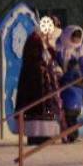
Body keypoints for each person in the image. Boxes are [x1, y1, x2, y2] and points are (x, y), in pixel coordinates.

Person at [15, 17, 64, 145]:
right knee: (36, 108)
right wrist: (42, 66)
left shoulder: (45, 41)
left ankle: (47, 135)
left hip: (45, 83)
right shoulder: (34, 40)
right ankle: (36, 136)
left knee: (48, 109)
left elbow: (51, 57)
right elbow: (33, 59)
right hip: (35, 83)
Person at [57, 25, 83, 143]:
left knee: (73, 111)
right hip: (62, 83)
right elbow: (54, 61)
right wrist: (58, 71)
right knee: (65, 111)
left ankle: (72, 135)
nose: (76, 41)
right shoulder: (59, 48)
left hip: (75, 84)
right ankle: (68, 135)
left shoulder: (80, 50)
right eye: (74, 38)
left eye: (78, 39)